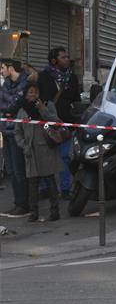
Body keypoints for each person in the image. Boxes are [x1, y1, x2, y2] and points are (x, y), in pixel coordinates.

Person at [14, 84, 63, 222]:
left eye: (36, 92)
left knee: (50, 181)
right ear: (25, 95)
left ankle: (55, 212)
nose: (33, 95)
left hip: (46, 149)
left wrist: (42, 109)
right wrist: (23, 145)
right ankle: (33, 212)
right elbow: (17, 132)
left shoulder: (47, 105)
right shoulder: (22, 111)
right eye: (30, 92)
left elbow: (56, 122)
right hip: (30, 151)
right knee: (32, 184)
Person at [37, 47, 80, 199]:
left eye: (67, 57)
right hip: (47, 122)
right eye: (63, 57)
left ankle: (66, 188)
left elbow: (76, 100)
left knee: (64, 157)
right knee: (44, 155)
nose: (67, 59)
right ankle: (44, 188)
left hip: (66, 122)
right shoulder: (43, 76)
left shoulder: (72, 78)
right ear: (54, 61)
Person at [0, 60, 30, 217]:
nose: (1, 71)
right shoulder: (6, 84)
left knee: (19, 170)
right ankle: (18, 203)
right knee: (11, 170)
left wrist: (8, 110)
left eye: (3, 68)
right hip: (6, 130)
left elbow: (14, 105)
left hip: (17, 132)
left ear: (11, 68)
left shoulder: (24, 83)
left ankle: (24, 204)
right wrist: (7, 111)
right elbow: (4, 104)